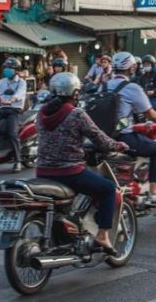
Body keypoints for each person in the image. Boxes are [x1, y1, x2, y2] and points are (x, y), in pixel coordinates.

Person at [36, 72, 129, 254]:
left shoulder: (42, 112)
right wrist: (118, 145)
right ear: (75, 93)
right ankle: (102, 235)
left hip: (42, 171)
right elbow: (101, 140)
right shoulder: (76, 114)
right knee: (108, 188)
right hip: (69, 173)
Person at [106, 52, 156, 205]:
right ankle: (154, 194)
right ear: (132, 68)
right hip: (123, 137)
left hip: (103, 137)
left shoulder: (104, 85)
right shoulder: (132, 87)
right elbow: (150, 113)